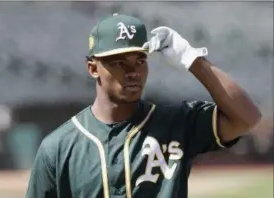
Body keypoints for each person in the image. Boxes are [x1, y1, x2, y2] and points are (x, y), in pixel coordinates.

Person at [26, 13, 261, 198]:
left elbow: (247, 117)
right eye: (119, 62)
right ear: (93, 68)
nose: (133, 72)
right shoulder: (57, 148)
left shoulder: (176, 122)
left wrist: (191, 58)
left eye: (140, 60)